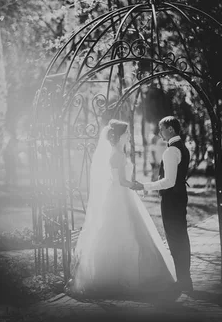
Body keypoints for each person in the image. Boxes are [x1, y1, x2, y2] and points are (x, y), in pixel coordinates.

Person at [66, 119, 176, 298]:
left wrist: (135, 185)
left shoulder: (118, 152)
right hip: (120, 194)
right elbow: (121, 181)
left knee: (131, 231)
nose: (129, 136)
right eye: (127, 133)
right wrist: (136, 185)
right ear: (120, 135)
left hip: (122, 193)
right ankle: (121, 276)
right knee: (124, 231)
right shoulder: (116, 155)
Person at [134, 116, 194, 293]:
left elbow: (168, 181)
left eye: (161, 129)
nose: (159, 132)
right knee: (181, 237)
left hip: (171, 200)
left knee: (175, 239)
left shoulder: (171, 151)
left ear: (170, 130)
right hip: (179, 197)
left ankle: (183, 280)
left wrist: (145, 186)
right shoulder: (183, 147)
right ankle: (185, 278)